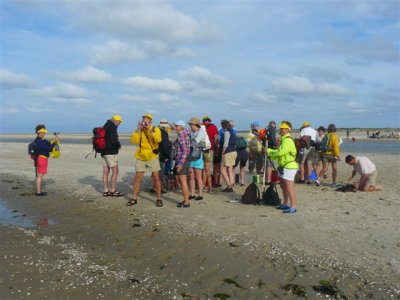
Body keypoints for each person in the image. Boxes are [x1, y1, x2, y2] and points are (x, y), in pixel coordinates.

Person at [129, 113, 163, 207]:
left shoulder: (155, 129)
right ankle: (134, 198)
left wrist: (149, 130)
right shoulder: (140, 130)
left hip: (152, 156)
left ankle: (159, 198)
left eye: (146, 119)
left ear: (150, 121)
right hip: (141, 157)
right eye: (143, 119)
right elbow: (133, 141)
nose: (145, 121)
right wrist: (138, 129)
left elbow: (158, 139)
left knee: (156, 178)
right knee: (137, 178)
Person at [266, 121, 298, 213]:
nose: (280, 130)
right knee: (283, 186)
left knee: (289, 187)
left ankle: (293, 206)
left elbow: (281, 152)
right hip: (283, 167)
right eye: (280, 128)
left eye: (282, 128)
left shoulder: (288, 140)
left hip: (289, 167)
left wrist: (268, 151)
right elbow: (277, 154)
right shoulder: (283, 140)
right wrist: (270, 154)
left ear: (288, 130)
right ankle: (285, 203)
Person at [32, 124, 59, 196]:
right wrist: (55, 143)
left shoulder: (41, 140)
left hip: (43, 159)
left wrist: (54, 140)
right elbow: (49, 149)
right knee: (40, 176)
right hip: (41, 159)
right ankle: (38, 192)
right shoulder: (38, 141)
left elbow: (49, 143)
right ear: (39, 132)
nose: (44, 133)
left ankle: (39, 191)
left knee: (40, 175)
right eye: (43, 132)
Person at [101, 115, 124, 197]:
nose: (120, 123)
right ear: (115, 120)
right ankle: (113, 190)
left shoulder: (105, 126)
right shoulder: (112, 127)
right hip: (111, 153)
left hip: (103, 152)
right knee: (115, 171)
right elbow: (114, 140)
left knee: (105, 172)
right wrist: (119, 145)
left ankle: (105, 191)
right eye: (119, 121)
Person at [188, 117, 209, 200]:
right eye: (190, 124)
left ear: (195, 124)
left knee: (198, 176)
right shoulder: (192, 132)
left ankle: (200, 194)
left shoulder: (201, 132)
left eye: (191, 124)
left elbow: (194, 143)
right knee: (191, 176)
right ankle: (192, 194)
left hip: (198, 157)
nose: (190, 126)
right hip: (191, 156)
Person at [173, 120, 191, 208]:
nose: (175, 127)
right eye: (175, 126)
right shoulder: (184, 133)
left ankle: (186, 202)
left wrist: (180, 164)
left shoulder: (181, 136)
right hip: (184, 160)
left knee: (183, 182)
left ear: (182, 127)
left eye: (177, 126)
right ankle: (185, 200)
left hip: (182, 160)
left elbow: (185, 151)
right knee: (183, 181)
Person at [150, 119, 171, 194]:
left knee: (154, 171)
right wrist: (167, 156)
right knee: (160, 172)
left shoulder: (154, 130)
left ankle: (153, 187)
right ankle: (161, 188)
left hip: (152, 153)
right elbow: (165, 146)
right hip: (160, 154)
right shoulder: (164, 133)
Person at [202, 116, 219, 192]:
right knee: (208, 169)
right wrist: (216, 149)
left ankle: (203, 185)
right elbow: (215, 139)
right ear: (209, 120)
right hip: (210, 149)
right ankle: (209, 187)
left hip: (201, 149)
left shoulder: (201, 126)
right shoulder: (213, 126)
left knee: (202, 169)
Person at [220, 120, 237, 192]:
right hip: (234, 152)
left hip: (228, 152)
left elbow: (225, 144)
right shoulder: (233, 132)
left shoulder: (226, 133)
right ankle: (231, 184)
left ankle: (229, 186)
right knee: (230, 169)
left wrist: (223, 152)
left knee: (222, 169)